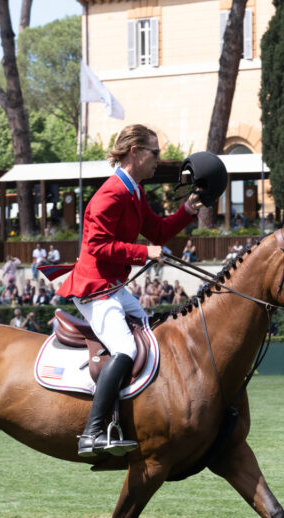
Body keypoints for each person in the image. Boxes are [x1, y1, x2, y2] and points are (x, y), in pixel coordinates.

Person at [55, 123, 202, 456]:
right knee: (126, 348)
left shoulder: (134, 190)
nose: (158, 160)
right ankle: (92, 433)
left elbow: (158, 232)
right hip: (94, 287)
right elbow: (96, 246)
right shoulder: (112, 192)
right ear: (135, 152)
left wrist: (187, 211)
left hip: (114, 286)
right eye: (155, 153)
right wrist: (142, 252)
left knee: (149, 333)